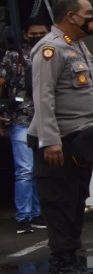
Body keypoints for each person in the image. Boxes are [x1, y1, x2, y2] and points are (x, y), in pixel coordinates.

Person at [30, 0, 93, 274]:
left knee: (75, 201)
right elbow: (43, 97)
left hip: (80, 142)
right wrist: (50, 140)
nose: (91, 17)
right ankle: (62, 265)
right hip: (60, 142)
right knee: (60, 203)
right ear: (71, 16)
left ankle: (71, 260)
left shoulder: (78, 47)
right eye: (88, 12)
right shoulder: (50, 49)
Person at [2, 18, 50, 233]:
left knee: (41, 169)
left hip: (47, 121)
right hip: (21, 120)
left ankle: (38, 213)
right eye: (33, 33)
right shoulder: (14, 57)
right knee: (25, 170)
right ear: (24, 35)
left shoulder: (54, 54)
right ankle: (23, 216)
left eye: (42, 32)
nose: (38, 37)